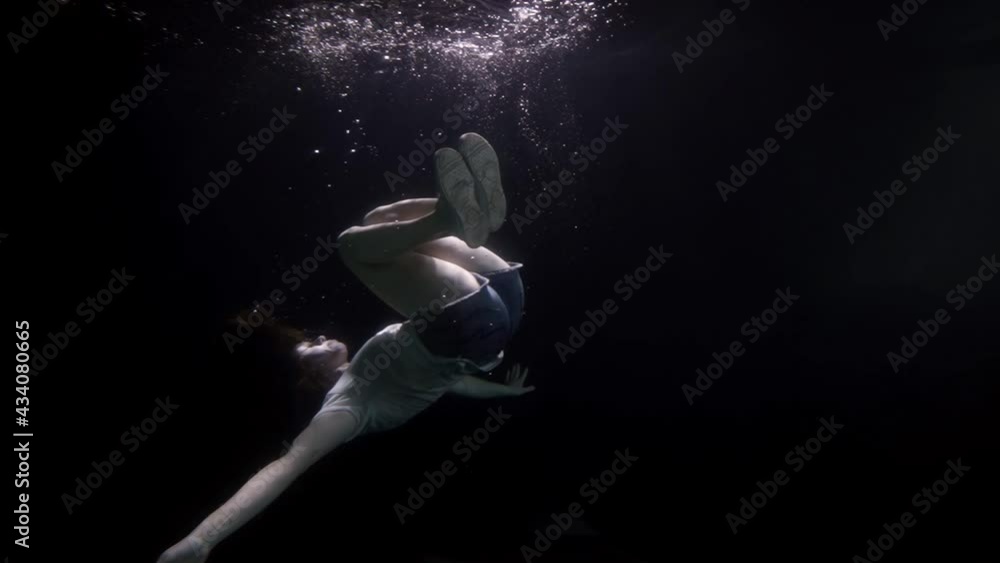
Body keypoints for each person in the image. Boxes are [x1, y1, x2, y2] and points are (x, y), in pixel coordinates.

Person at [157, 133, 532, 563]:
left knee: (379, 219)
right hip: (472, 321)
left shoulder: (378, 366)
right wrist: (202, 541)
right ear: (310, 376)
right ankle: (452, 217)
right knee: (351, 243)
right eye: (309, 346)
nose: (320, 337)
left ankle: (460, 215)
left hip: (501, 298)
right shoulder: (347, 405)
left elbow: (458, 384)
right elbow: (290, 465)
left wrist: (504, 391)